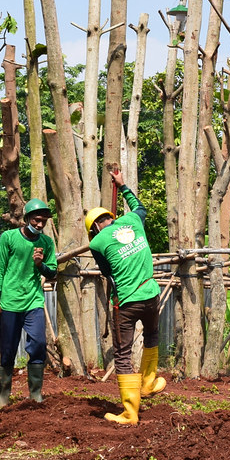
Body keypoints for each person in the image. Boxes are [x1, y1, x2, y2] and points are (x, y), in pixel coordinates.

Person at [85, 169, 164, 425]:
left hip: (126, 303)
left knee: (122, 353)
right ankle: (149, 383)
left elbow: (107, 272)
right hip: (152, 295)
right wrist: (123, 185)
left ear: (95, 227)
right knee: (152, 335)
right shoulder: (133, 220)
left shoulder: (96, 244)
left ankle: (130, 413)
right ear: (110, 217)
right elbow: (139, 207)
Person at [0, 198, 58, 408]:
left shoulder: (46, 243)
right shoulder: (8, 238)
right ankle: (3, 397)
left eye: (43, 222)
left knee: (38, 344)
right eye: (36, 220)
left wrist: (40, 265)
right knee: (8, 349)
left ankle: (35, 394)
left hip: (33, 300)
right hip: (10, 302)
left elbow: (53, 272)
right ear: (27, 218)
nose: (39, 225)